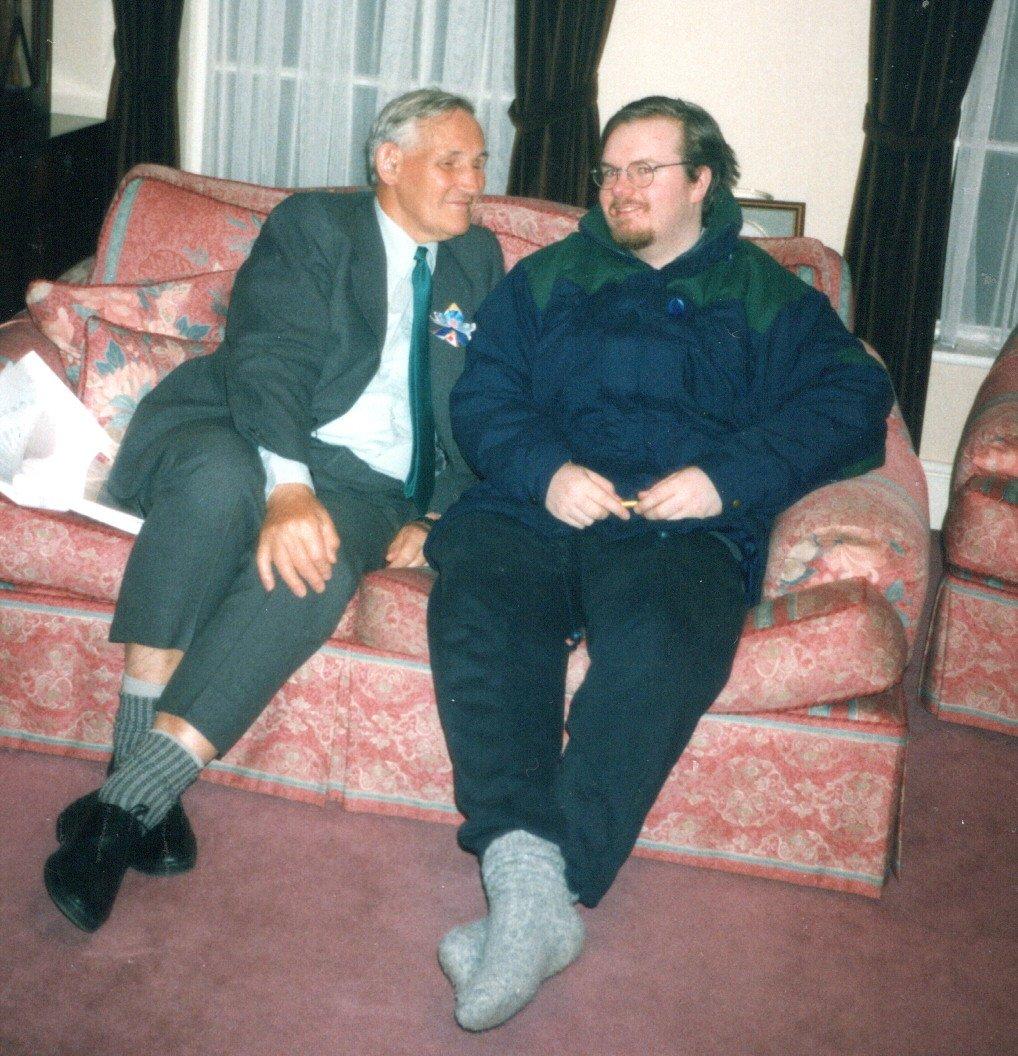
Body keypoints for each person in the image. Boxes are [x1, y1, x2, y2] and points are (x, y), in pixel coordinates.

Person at [424, 95, 894, 1031]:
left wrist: (726, 479)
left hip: (676, 526)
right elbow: (484, 395)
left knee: (668, 642)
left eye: (646, 169)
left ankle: (541, 889)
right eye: (609, 171)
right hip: (541, 505)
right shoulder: (549, 277)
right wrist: (545, 471)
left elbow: (854, 394)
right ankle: (528, 883)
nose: (620, 188)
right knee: (480, 607)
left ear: (702, 180)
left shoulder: (764, 292)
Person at [43, 88, 504, 932]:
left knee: (312, 567)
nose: (474, 181)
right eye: (452, 161)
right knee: (219, 486)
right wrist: (287, 486)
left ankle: (122, 807)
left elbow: (485, 400)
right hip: (240, 423)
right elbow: (270, 357)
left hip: (369, 485)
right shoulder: (317, 226)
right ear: (388, 162)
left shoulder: (478, 258)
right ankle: (134, 774)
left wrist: (446, 516)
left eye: (479, 161)